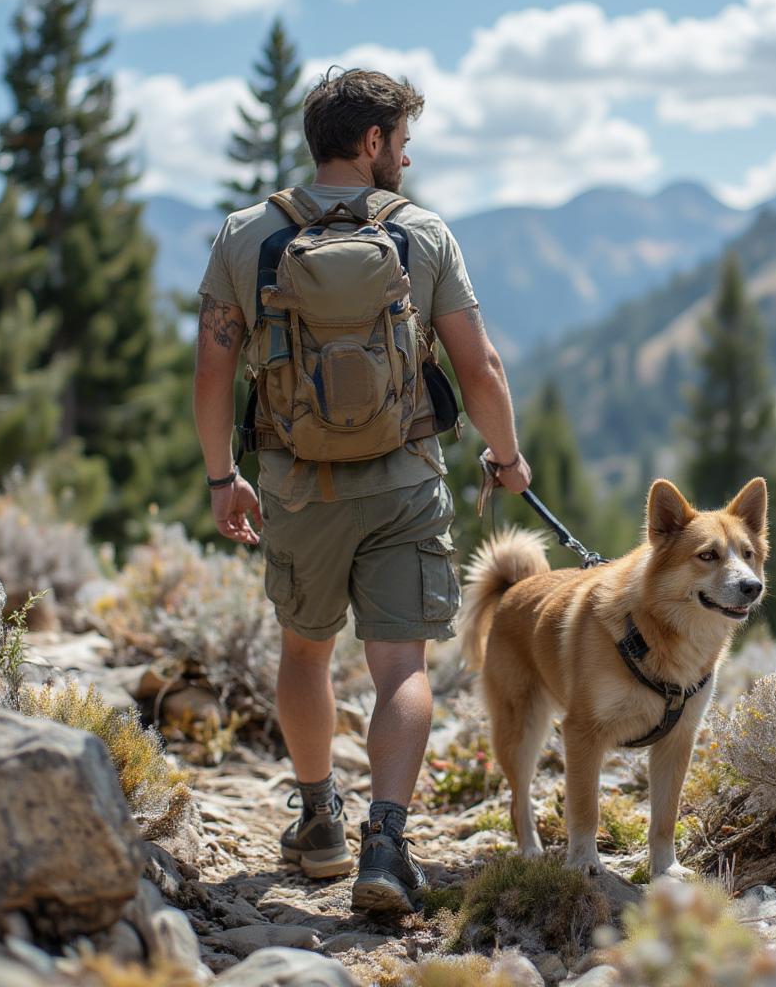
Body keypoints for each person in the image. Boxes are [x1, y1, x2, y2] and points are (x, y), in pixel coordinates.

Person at [193, 67, 531, 916]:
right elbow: (479, 367)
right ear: (372, 142)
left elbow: (212, 367)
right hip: (405, 482)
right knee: (399, 668)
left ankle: (318, 824)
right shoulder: (424, 235)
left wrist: (219, 477)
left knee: (305, 651)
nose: (407, 160)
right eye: (403, 142)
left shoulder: (245, 234)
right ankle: (386, 843)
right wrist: (508, 457)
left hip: (295, 485)